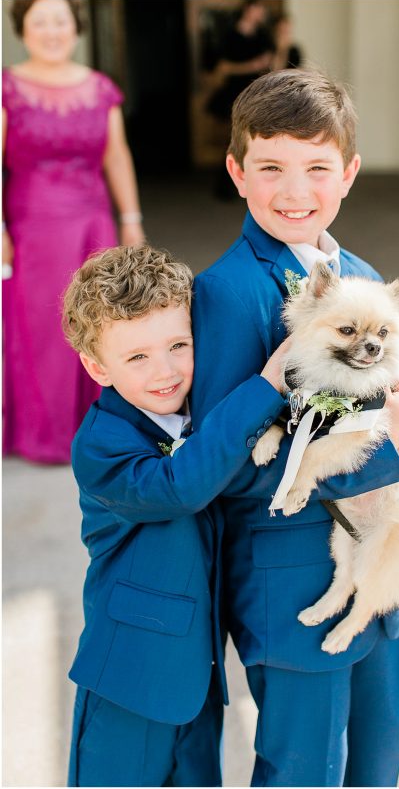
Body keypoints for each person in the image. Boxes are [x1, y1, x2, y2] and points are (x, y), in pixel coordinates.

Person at [191, 69, 399, 787]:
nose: (295, 191)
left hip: (379, 574)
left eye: (317, 169)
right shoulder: (227, 290)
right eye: (271, 168)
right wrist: (388, 455)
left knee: (376, 760)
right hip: (292, 582)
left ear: (349, 175)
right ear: (238, 172)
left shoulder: (360, 274)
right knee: (306, 770)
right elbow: (229, 464)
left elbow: (387, 391)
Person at [61, 243, 290, 786]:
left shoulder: (201, 413)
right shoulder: (101, 445)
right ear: (97, 367)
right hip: (131, 676)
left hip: (198, 678)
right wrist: (266, 387)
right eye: (136, 357)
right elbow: (179, 487)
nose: (164, 371)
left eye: (178, 345)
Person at [2, 0, 144, 464]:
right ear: (22, 29)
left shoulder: (101, 88)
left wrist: (131, 219)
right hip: (32, 226)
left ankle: (100, 427)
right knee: (41, 328)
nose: (51, 30)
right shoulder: (7, 87)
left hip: (93, 224)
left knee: (100, 322)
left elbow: (117, 156)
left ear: (76, 27)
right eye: (39, 21)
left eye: (60, 20)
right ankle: (43, 434)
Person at [206, 0, 273, 199]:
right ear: (248, 9)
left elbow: (269, 61)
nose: (261, 12)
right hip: (233, 93)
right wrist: (250, 66)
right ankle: (225, 187)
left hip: (255, 94)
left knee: (252, 142)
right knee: (232, 140)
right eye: (258, 8)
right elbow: (222, 68)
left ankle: (248, 186)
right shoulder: (230, 35)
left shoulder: (263, 35)